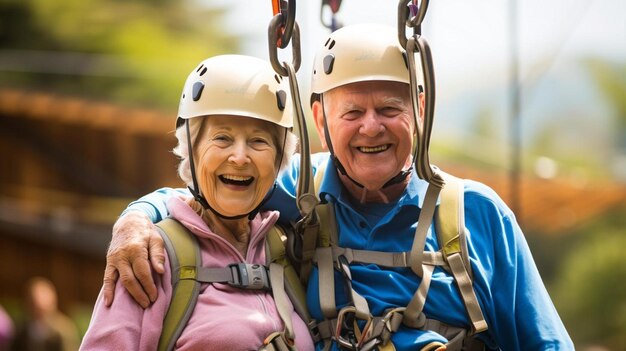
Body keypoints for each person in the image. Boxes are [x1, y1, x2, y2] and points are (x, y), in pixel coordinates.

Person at [102, 24, 574, 350]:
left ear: (420, 110)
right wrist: (137, 217)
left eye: (390, 109)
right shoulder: (292, 191)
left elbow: (545, 341)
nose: (372, 128)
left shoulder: (476, 215)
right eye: (352, 113)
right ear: (320, 120)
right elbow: (203, 194)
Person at [80, 54, 314, 350]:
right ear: (191, 151)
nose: (240, 157)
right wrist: (133, 218)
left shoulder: (286, 246)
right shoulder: (151, 255)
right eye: (222, 138)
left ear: (279, 159)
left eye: (258, 141)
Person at [12, 277, 79, 351]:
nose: (37, 312)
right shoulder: (21, 330)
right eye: (34, 306)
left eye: (41, 309)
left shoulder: (64, 330)